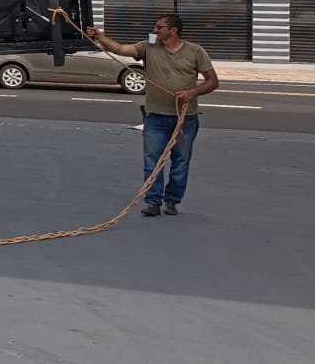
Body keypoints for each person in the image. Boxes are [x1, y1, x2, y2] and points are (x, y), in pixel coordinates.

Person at [86, 14, 219, 217]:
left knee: (181, 161)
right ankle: (153, 201)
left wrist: (192, 93)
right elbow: (121, 49)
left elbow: (212, 82)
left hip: (186, 118)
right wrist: (100, 37)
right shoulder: (149, 45)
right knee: (152, 161)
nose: (154, 30)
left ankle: (172, 200)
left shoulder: (195, 51)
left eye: (159, 27)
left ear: (173, 31)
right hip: (155, 116)